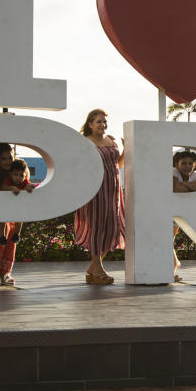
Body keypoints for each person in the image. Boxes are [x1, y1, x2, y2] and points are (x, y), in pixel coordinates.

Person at [75, 109, 125, 284]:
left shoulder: (111, 140)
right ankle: (98, 268)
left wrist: (125, 150)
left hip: (113, 188)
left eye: (104, 121)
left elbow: (118, 164)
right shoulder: (86, 142)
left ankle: (93, 268)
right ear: (90, 124)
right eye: (98, 122)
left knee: (113, 227)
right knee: (97, 227)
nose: (103, 125)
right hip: (96, 189)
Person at [0, 147, 35, 286]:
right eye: (3, 158)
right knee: (1, 237)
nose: (7, 162)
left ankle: (6, 272)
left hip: (12, 213)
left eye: (10, 158)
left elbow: (26, 184)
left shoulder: (19, 171)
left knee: (11, 239)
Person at [172, 149, 196, 282]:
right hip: (170, 211)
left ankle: (172, 269)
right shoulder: (174, 172)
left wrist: (184, 185)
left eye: (190, 163)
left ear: (194, 164)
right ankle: (172, 268)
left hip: (180, 213)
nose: (187, 166)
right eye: (184, 163)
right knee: (167, 241)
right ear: (176, 164)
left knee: (169, 240)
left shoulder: (195, 174)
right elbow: (176, 188)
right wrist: (191, 187)